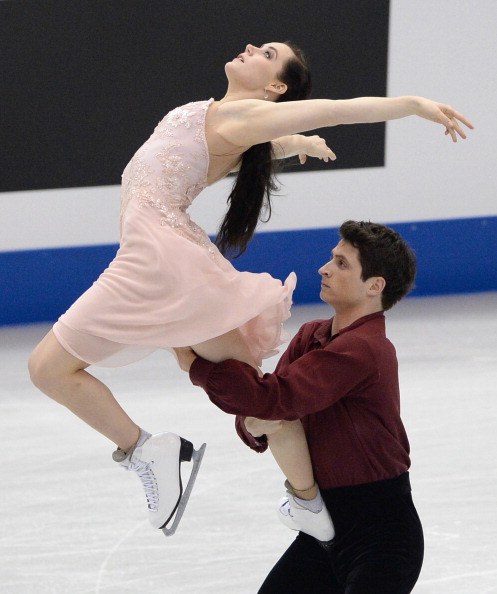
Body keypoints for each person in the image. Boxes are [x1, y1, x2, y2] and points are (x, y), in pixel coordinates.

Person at [28, 41, 472, 537]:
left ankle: (151, 453)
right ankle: (301, 499)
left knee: (49, 369)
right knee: (257, 399)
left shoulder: (241, 118)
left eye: (266, 53)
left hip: (158, 260)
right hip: (168, 259)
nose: (249, 48)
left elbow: (338, 110)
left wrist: (413, 105)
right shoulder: (222, 118)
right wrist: (292, 144)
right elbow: (228, 152)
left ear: (275, 87)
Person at [175, 220, 424, 593]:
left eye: (342, 264)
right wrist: (252, 425)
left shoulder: (365, 349)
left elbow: (271, 399)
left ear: (375, 286)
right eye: (331, 258)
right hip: (322, 527)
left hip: (382, 538)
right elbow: (261, 408)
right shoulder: (312, 335)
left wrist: (196, 366)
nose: (325, 268)